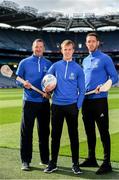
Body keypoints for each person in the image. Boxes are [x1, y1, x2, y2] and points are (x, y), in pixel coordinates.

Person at [44, 40, 85, 174]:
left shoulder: (78, 68)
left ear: (73, 51)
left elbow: (82, 90)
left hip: (72, 107)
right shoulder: (55, 66)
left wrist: (77, 106)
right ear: (61, 50)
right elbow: (45, 82)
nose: (67, 52)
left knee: (74, 136)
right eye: (65, 49)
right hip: (57, 106)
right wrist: (47, 90)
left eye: (69, 49)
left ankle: (75, 164)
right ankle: (53, 163)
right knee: (55, 136)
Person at [80, 32, 118, 175]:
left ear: (97, 43)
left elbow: (114, 77)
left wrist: (103, 85)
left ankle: (107, 163)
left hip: (100, 101)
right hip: (86, 101)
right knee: (89, 131)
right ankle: (91, 159)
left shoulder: (105, 58)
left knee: (103, 132)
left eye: (93, 41)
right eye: (88, 41)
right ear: (86, 44)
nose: (90, 43)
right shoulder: (85, 60)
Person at [16, 39, 52, 171]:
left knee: (44, 132)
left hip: (44, 103)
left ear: (43, 48)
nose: (38, 49)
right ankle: (25, 161)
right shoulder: (24, 63)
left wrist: (49, 92)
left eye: (41, 47)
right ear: (33, 47)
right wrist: (23, 84)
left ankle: (45, 159)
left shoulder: (48, 64)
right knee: (26, 133)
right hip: (29, 102)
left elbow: (52, 82)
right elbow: (17, 79)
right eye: (36, 47)